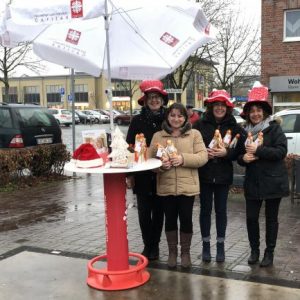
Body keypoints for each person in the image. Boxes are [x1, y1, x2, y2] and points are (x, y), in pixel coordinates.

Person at [149, 103, 208, 268]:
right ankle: (172, 252)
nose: (176, 119)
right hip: (166, 186)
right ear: (167, 116)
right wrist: (160, 167)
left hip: (187, 186)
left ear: (185, 117)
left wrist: (183, 159)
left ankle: (185, 253)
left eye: (180, 116)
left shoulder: (194, 134)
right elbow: (148, 160)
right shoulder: (158, 136)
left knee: (186, 219)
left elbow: (203, 157)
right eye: (172, 115)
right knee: (169, 219)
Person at [238, 82, 289, 267]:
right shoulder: (244, 132)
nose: (255, 114)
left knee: (271, 219)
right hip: (253, 182)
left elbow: (280, 152)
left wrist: (259, 150)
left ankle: (269, 253)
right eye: (252, 111)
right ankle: (254, 250)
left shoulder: (274, 129)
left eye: (259, 110)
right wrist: (243, 158)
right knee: (251, 218)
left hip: (273, 181)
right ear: (248, 113)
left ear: (265, 112)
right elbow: (238, 156)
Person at [193, 89, 246, 263]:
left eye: (223, 105)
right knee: (205, 211)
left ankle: (221, 246)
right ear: (211, 106)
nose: (219, 108)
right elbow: (192, 146)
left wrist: (227, 153)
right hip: (205, 175)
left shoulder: (235, 126)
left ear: (228, 108)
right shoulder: (200, 125)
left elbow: (241, 150)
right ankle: (206, 246)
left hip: (223, 176)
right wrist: (202, 154)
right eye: (216, 104)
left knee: (221, 211)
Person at [126, 80, 168, 261]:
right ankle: (147, 245)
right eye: (151, 97)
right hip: (142, 174)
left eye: (157, 97)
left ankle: (155, 246)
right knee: (144, 213)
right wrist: (129, 175)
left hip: (162, 173)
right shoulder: (137, 121)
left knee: (159, 213)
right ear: (145, 100)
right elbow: (129, 147)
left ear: (162, 99)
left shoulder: (168, 120)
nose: (154, 100)